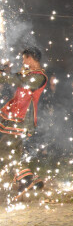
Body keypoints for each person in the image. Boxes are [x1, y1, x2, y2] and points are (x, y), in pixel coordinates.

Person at [0, 47, 48, 196]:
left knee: (5, 149)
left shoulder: (39, 77)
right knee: (12, 151)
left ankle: (26, 179)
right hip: (17, 117)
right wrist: (4, 71)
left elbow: (18, 80)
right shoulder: (29, 74)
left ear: (31, 58)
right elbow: (15, 77)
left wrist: (3, 75)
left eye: (24, 59)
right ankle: (27, 180)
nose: (23, 62)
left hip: (23, 119)